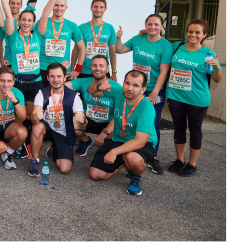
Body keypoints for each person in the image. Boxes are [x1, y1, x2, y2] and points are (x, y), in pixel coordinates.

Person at [0, 0, 65, 117]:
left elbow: (45, 15)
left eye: (29, 20)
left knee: (33, 116)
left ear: (33, 22)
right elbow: (8, 16)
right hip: (18, 82)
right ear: (20, 21)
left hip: (35, 82)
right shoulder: (13, 35)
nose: (26, 23)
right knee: (19, 115)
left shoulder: (38, 35)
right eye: (23, 20)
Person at [115, 14, 173, 174]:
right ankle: (130, 148)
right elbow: (119, 50)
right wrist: (118, 38)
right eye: (149, 24)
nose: (152, 27)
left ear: (161, 26)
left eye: (156, 24)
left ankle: (152, 156)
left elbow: (164, 71)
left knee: (152, 123)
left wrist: (154, 92)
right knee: (128, 117)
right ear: (145, 25)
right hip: (135, 87)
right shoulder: (138, 38)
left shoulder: (166, 46)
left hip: (153, 89)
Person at [166, 19, 222, 177]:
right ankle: (179, 160)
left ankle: (192, 164)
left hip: (197, 99)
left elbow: (217, 79)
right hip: (175, 96)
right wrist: (143, 33)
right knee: (179, 128)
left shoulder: (207, 54)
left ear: (204, 35)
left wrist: (216, 67)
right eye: (190, 31)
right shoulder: (176, 47)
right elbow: (159, 46)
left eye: (198, 32)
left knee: (195, 130)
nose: (193, 35)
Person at [88, 70, 158, 196]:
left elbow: (140, 141)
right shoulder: (119, 92)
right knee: (95, 174)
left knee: (133, 159)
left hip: (142, 143)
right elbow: (90, 90)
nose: (130, 88)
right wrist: (99, 86)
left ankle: (135, 176)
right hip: (118, 139)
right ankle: (122, 162)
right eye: (127, 83)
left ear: (143, 89)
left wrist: (114, 152)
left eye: (136, 85)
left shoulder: (147, 108)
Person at [28, 63, 85, 177]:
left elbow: (83, 126)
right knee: (37, 126)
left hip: (63, 133)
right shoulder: (42, 93)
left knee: (65, 169)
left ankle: (54, 147)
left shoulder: (73, 96)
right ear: (47, 78)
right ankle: (35, 161)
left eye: (59, 76)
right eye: (52, 76)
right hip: (48, 129)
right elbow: (34, 119)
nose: (56, 80)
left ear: (65, 77)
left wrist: (82, 121)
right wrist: (35, 116)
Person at [65, 55, 123, 157]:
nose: (97, 68)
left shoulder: (117, 88)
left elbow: (119, 115)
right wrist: (61, 76)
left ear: (107, 69)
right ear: (90, 68)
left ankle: (107, 144)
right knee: (71, 124)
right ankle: (85, 141)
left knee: (119, 135)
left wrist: (104, 133)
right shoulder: (84, 81)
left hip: (108, 123)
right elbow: (63, 87)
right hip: (88, 120)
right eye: (94, 65)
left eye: (101, 66)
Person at [36, 0, 85, 85]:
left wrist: (77, 70)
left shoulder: (72, 26)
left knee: (60, 99)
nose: (59, 8)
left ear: (66, 7)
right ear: (52, 6)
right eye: (56, 5)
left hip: (62, 70)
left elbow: (82, 49)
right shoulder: (42, 22)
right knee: (42, 99)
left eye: (62, 6)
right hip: (42, 69)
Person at [0, 0, 39, 68]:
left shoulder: (26, 17)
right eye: (12, 3)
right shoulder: (3, 23)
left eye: (18, 4)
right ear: (8, 4)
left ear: (21, 5)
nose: (15, 6)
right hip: (10, 61)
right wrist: (1, 59)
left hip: (26, 60)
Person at [71, 0, 117, 81]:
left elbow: (112, 52)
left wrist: (114, 72)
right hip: (84, 71)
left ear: (105, 9)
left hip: (102, 72)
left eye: (101, 7)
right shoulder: (82, 27)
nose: (98, 9)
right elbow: (76, 50)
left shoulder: (110, 28)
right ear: (91, 8)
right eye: (95, 7)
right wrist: (72, 69)